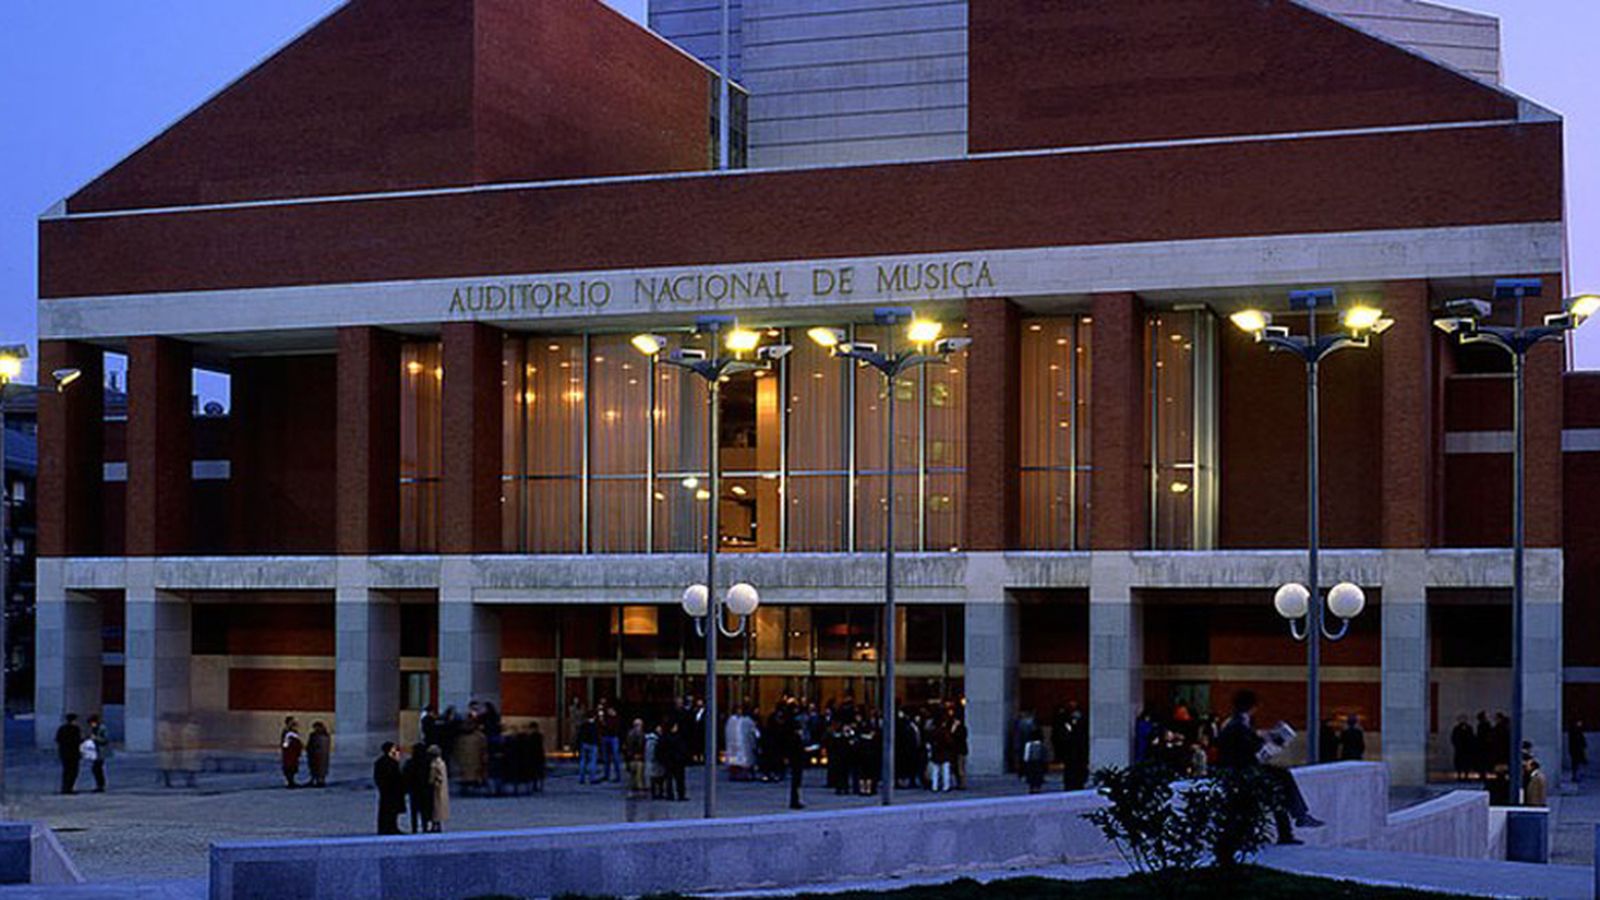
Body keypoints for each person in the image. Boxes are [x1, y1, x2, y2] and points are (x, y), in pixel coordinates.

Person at [1216, 689, 1323, 846]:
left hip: (1242, 769)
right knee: (1281, 780)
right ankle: (1296, 819)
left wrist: (1264, 739)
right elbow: (1249, 749)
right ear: (1252, 706)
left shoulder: (1236, 722)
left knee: (1279, 785)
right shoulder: (1237, 724)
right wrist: (1270, 742)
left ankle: (1294, 822)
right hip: (1243, 771)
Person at [373, 742, 406, 835]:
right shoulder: (390, 762)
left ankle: (388, 827)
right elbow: (396, 777)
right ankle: (390, 827)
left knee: (388, 810)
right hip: (391, 790)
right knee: (390, 810)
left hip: (387, 790)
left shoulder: (381, 762)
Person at [403, 742, 432, 834]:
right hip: (425, 789)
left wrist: (406, 788)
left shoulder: (410, 763)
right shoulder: (428, 762)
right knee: (425, 810)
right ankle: (425, 826)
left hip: (414, 790)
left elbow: (406, 776)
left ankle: (414, 828)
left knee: (414, 811)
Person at [55, 714, 83, 795]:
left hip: (64, 753)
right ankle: (70, 788)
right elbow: (78, 740)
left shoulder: (62, 729)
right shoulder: (75, 729)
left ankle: (65, 787)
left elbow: (58, 739)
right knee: (73, 771)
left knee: (66, 771)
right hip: (73, 753)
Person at [427, 745, 450, 832]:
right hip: (442, 788)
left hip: (436, 789)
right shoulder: (442, 763)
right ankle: (438, 825)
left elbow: (432, 778)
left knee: (435, 809)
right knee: (440, 808)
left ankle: (435, 826)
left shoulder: (434, 764)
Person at [86, 714, 111, 793]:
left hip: (100, 751)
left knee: (97, 769)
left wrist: (96, 738)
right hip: (95, 751)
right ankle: (99, 785)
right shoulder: (94, 728)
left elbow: (105, 740)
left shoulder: (102, 728)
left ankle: (100, 785)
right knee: (96, 769)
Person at [625, 719, 648, 797]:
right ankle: (637, 790)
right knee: (636, 775)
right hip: (634, 758)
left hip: (638, 757)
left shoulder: (641, 735)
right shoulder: (632, 735)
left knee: (638, 774)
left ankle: (636, 790)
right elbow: (629, 747)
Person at [577, 710, 601, 784]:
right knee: (592, 762)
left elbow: (579, 735)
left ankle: (581, 778)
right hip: (593, 744)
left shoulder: (583, 725)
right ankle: (592, 778)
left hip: (584, 744)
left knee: (583, 761)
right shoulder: (595, 726)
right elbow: (598, 736)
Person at [280, 717, 304, 788]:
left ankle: (291, 781)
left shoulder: (293, 732)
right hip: (289, 753)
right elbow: (285, 744)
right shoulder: (288, 732)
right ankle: (290, 781)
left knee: (292, 767)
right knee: (289, 767)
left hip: (293, 753)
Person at [307, 722, 332, 788]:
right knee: (315, 767)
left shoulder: (323, 736)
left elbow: (323, 745)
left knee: (320, 768)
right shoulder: (314, 735)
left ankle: (320, 780)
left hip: (320, 755)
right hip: (314, 755)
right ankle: (315, 779)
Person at [1450, 716, 1475, 781]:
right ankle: (1459, 775)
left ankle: (1466, 775)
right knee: (1459, 763)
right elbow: (1454, 738)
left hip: (1467, 749)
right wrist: (1457, 745)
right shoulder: (1456, 729)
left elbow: (1471, 737)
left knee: (1466, 763)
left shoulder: (1469, 728)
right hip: (1459, 749)